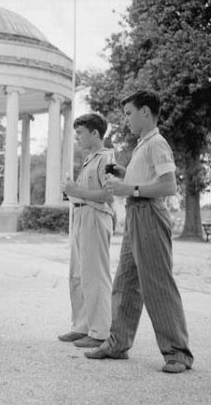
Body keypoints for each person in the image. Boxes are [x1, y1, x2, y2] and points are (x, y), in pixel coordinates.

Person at [84, 90, 194, 373]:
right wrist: (124, 174)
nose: (126, 120)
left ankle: (178, 353)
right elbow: (146, 179)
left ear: (146, 112)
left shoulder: (157, 144)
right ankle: (117, 343)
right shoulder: (143, 145)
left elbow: (168, 186)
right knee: (125, 283)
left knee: (157, 284)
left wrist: (128, 188)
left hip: (149, 215)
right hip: (135, 215)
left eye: (129, 114)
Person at [58, 113, 115, 348]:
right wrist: (71, 190)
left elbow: (109, 194)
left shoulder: (107, 159)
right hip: (81, 216)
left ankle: (100, 332)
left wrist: (77, 191)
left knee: (95, 275)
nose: (77, 138)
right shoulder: (88, 160)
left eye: (80, 133)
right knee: (78, 275)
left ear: (95, 133)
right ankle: (81, 326)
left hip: (95, 216)